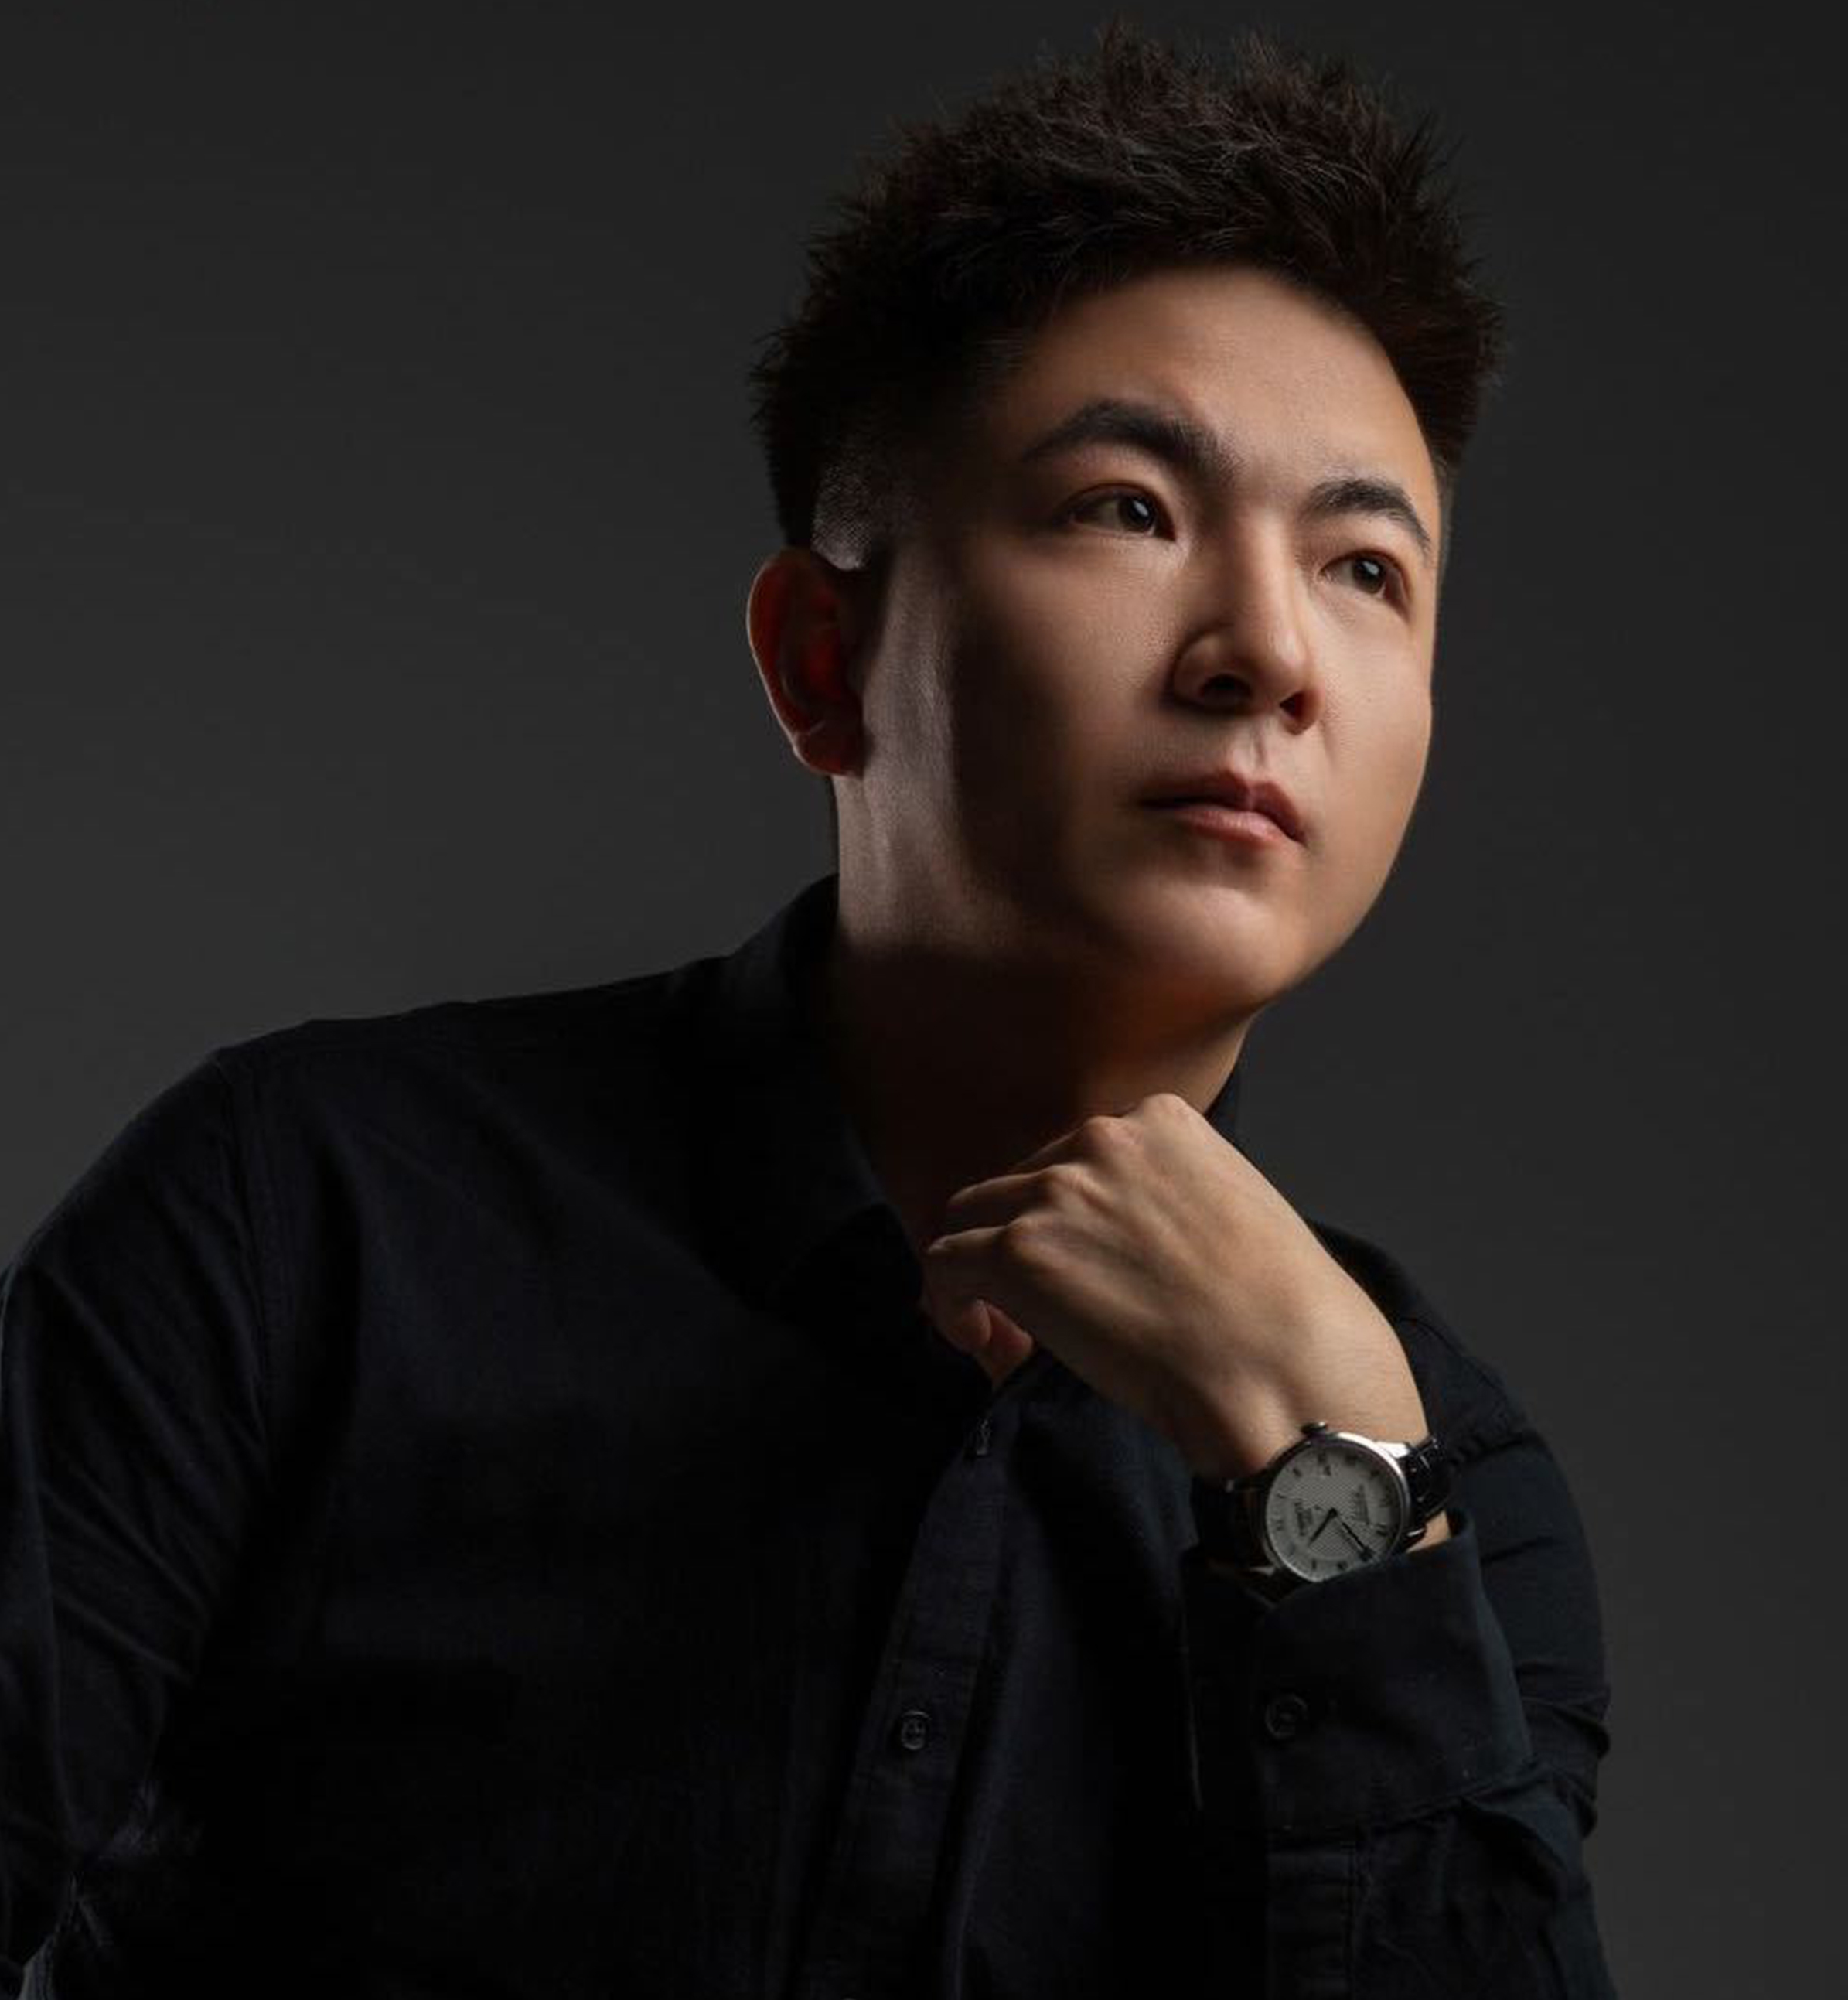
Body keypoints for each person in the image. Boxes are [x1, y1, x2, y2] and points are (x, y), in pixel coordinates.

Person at [0, 16, 1618, 1997]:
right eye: (1127, 508)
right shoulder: (301, 1226)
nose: (1268, 650)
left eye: (1367, 567)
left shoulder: (1447, 1486)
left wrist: (1328, 1478)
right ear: (821, 659)